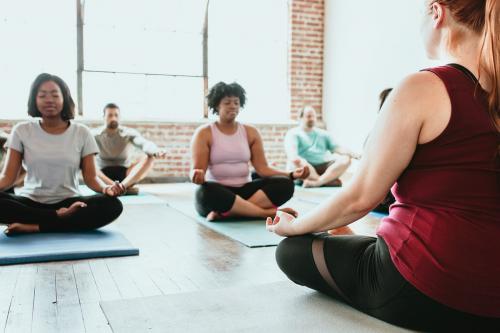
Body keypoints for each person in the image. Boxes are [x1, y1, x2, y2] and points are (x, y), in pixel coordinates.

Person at [267, 0, 500, 331]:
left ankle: (342, 239)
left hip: (425, 287)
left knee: (290, 251)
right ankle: (345, 238)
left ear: (437, 13)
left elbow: (360, 197)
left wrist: (294, 226)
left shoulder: (424, 86)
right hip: (492, 298)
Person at [0, 73, 124, 236]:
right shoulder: (22, 130)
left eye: (55, 95)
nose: (49, 99)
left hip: (71, 202)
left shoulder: (82, 132)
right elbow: (7, 177)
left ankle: (35, 227)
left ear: (64, 98)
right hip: (31, 202)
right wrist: (55, 214)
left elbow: (91, 178)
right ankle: (55, 218)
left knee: (113, 205)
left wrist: (106, 188)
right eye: (42, 95)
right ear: (34, 100)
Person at [191, 82, 310, 221]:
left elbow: (262, 169)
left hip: (245, 191)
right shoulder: (204, 133)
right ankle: (266, 213)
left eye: (236, 102)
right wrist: (196, 175)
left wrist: (291, 174)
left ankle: (231, 213)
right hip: (219, 192)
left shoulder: (250, 132)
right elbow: (197, 171)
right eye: (227, 102)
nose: (233, 106)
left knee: (285, 183)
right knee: (205, 192)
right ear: (217, 105)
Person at [92, 103, 165, 195]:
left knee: (150, 157)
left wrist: (156, 151)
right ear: (104, 117)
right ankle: (119, 189)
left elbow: (144, 143)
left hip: (125, 175)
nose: (113, 118)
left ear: (120, 117)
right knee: (86, 161)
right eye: (110, 115)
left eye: (116, 115)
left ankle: (122, 187)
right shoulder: (94, 135)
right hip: (102, 175)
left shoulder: (128, 133)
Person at [284, 106, 359, 188]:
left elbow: (338, 148)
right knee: (298, 160)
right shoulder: (293, 134)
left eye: (313, 116)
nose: (312, 118)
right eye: (308, 116)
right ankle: (326, 181)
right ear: (300, 118)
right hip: (305, 168)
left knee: (346, 159)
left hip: (323, 167)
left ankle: (317, 182)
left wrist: (354, 154)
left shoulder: (323, 134)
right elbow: (293, 157)